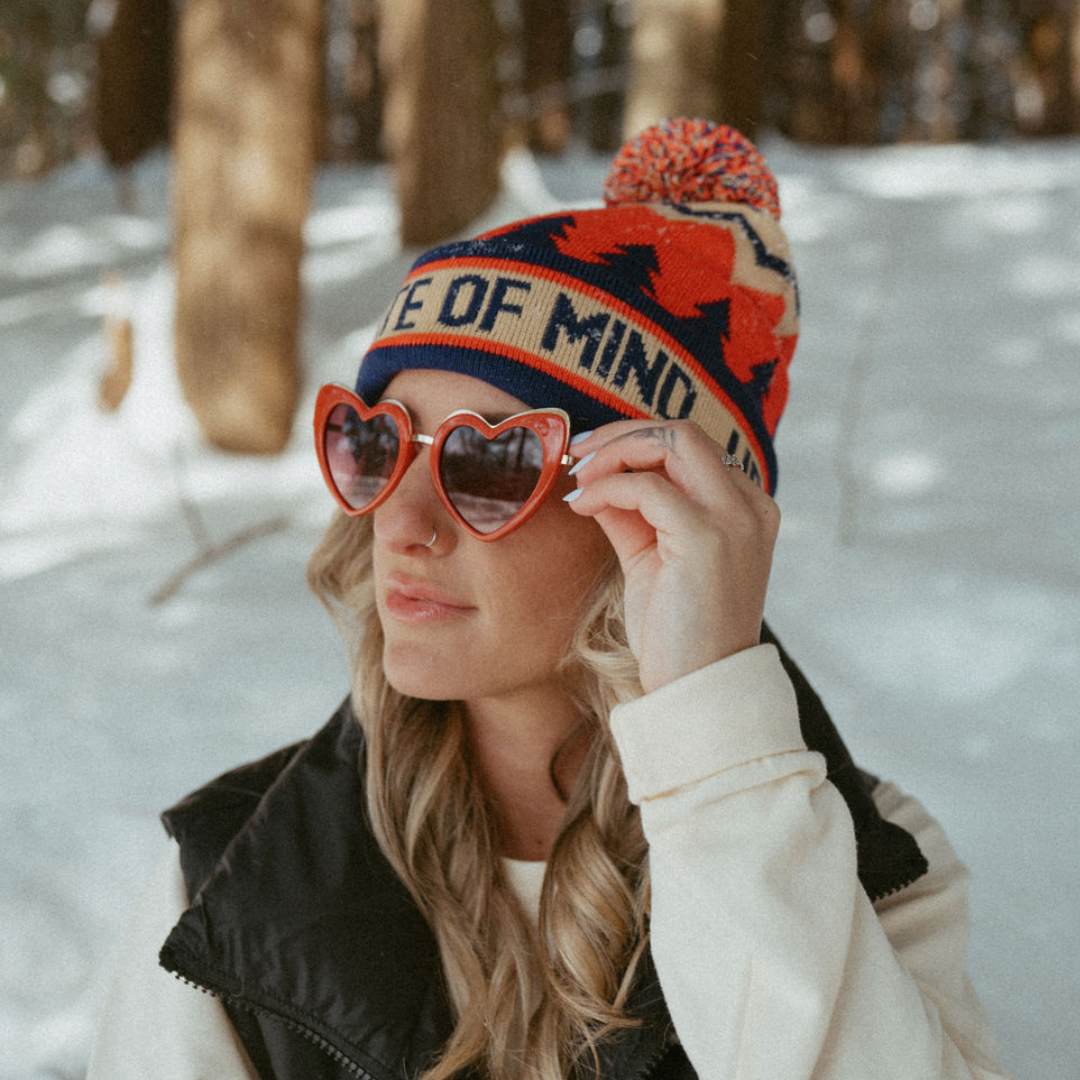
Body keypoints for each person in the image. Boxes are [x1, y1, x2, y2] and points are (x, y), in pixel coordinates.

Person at [88, 119, 1016, 1080]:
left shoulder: (867, 868)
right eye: (375, 446)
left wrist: (720, 749)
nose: (400, 525)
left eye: (490, 459)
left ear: (659, 516)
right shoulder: (228, 885)